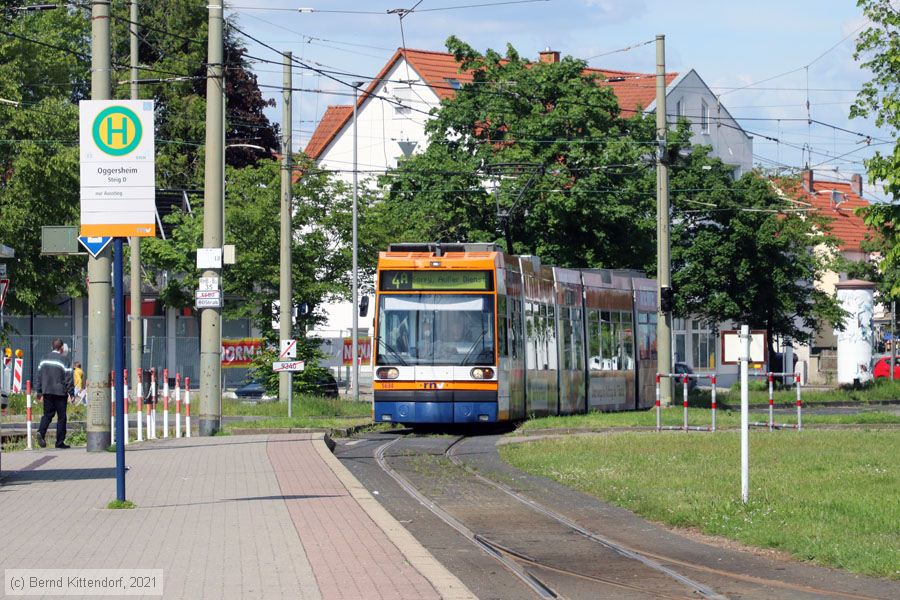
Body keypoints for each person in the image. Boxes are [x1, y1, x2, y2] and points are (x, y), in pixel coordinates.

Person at [35, 338, 75, 449]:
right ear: (62, 348)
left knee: (47, 415)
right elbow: (69, 378)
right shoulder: (65, 360)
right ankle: (59, 443)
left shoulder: (43, 359)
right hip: (60, 393)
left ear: (51, 347)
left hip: (47, 391)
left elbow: (39, 376)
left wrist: (39, 391)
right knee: (61, 417)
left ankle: (41, 432)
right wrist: (71, 393)